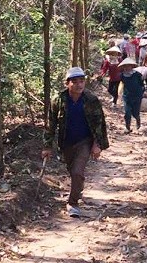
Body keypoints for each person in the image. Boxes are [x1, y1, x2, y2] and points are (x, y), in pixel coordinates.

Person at [42, 67, 109, 217]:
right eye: (75, 82)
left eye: (81, 81)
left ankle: (72, 203)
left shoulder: (91, 99)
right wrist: (47, 146)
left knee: (77, 172)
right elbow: (51, 124)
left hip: (85, 141)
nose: (79, 85)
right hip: (66, 142)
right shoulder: (58, 100)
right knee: (73, 171)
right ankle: (78, 189)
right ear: (67, 84)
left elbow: (99, 122)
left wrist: (97, 144)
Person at [118, 58, 145, 133]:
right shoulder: (122, 76)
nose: (127, 67)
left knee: (135, 113)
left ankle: (138, 120)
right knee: (127, 113)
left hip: (137, 96)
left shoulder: (137, 74)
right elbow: (117, 84)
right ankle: (127, 128)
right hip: (127, 96)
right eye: (125, 66)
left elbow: (142, 84)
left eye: (128, 66)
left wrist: (142, 92)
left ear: (132, 66)